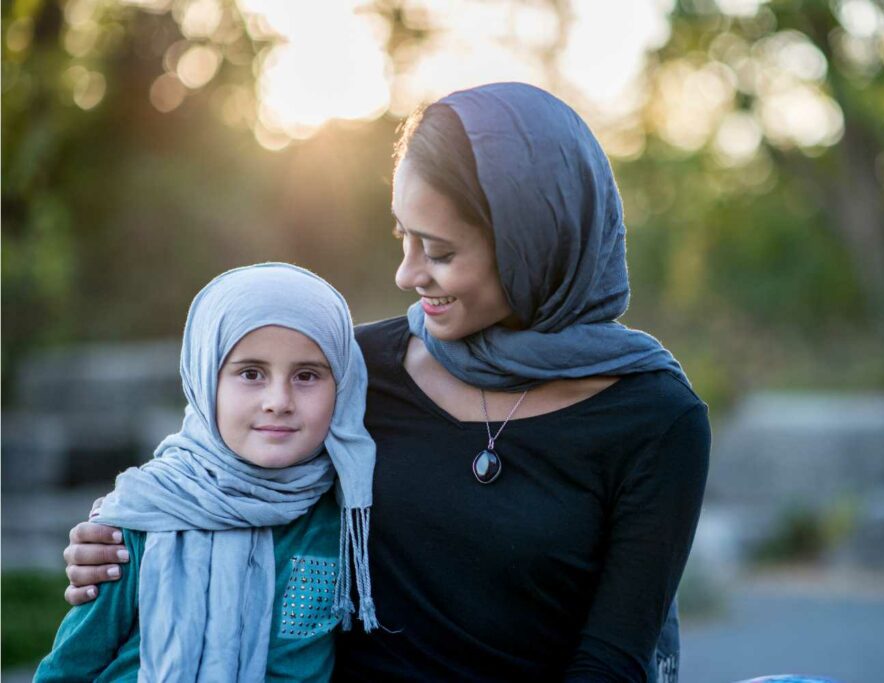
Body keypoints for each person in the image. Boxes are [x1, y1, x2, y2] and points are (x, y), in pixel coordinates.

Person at [62, 83, 711, 681]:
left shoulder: (655, 420)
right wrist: (123, 536)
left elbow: (612, 661)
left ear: (533, 243)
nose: (407, 274)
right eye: (403, 236)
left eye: (440, 250)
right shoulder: (353, 368)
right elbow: (214, 469)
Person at [39, 263, 378, 681]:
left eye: (307, 375)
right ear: (205, 378)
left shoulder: (347, 520)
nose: (279, 400)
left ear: (341, 386)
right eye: (251, 373)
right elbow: (68, 667)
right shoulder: (143, 515)